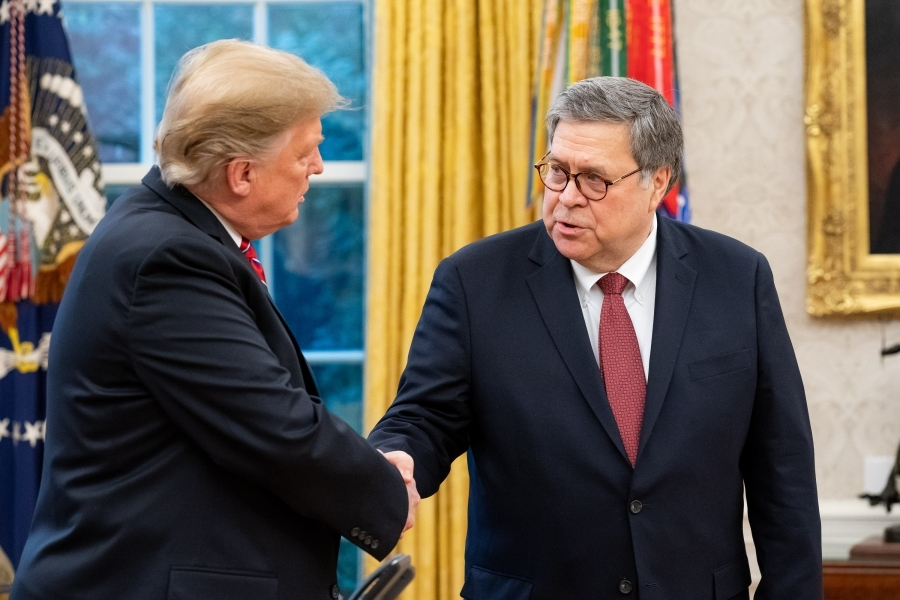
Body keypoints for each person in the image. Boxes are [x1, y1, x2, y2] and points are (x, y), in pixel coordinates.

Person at [369, 77, 822, 599]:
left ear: (658, 182)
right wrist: (397, 458)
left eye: (594, 181)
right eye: (557, 172)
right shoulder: (474, 280)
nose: (565, 199)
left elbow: (781, 462)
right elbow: (425, 416)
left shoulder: (737, 277)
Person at [11, 40, 418, 600]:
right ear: (242, 173)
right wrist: (384, 488)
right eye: (304, 154)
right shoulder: (166, 259)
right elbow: (273, 426)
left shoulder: (167, 234)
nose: (318, 168)